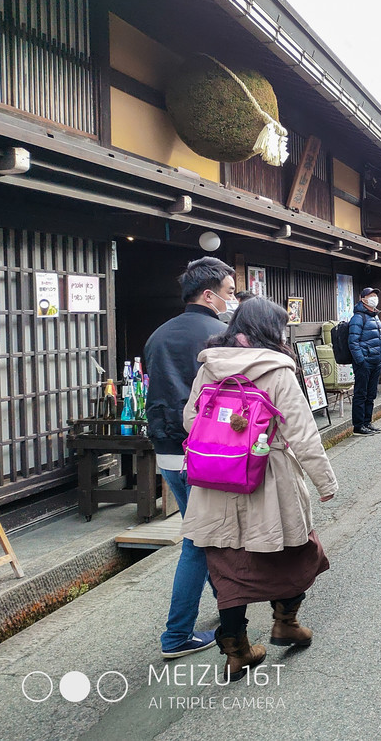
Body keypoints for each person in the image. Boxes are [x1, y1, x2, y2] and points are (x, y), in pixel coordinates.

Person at [181, 296, 338, 682]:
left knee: (228, 566)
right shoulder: (277, 369)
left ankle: (236, 651)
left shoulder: (210, 365)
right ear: (272, 330)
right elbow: (302, 434)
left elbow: (190, 420)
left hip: (216, 479)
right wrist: (325, 482)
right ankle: (286, 622)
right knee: (297, 553)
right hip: (270, 479)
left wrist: (227, 434)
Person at [144, 256, 235, 659]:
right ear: (209, 294)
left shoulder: (158, 335)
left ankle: (227, 604)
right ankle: (176, 636)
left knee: (201, 531)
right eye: (230, 293)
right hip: (206, 453)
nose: (231, 300)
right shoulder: (222, 334)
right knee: (198, 541)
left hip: (167, 452)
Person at [348, 287, 381, 435]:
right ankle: (358, 426)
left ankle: (367, 422)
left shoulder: (375, 316)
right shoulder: (358, 317)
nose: (374, 298)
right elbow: (353, 342)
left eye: (375, 295)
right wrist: (361, 361)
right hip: (365, 362)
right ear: (363, 299)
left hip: (376, 361)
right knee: (361, 394)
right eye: (371, 295)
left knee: (371, 393)